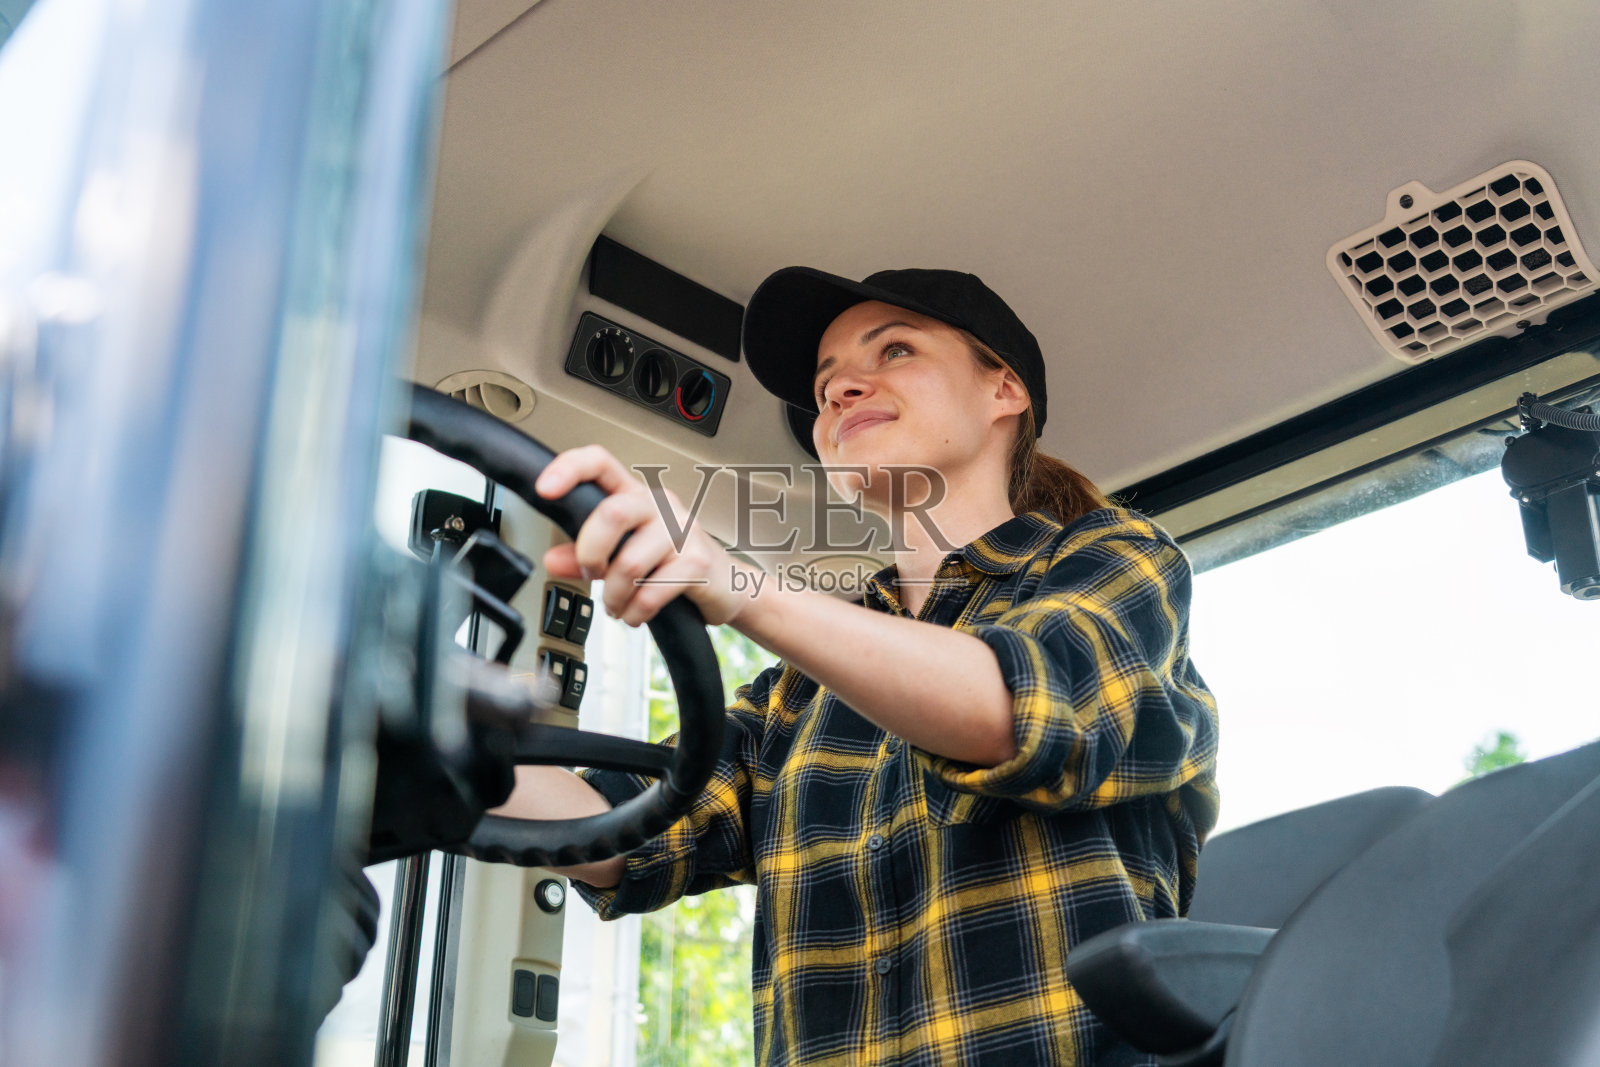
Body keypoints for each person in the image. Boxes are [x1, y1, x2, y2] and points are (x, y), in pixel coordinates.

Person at [492, 267, 1220, 1066]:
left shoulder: (1113, 560)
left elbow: (1022, 708)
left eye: (894, 350)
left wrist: (739, 586)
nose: (839, 391)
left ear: (1004, 389)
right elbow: (627, 827)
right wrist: (420, 755)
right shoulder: (798, 694)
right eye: (824, 382)